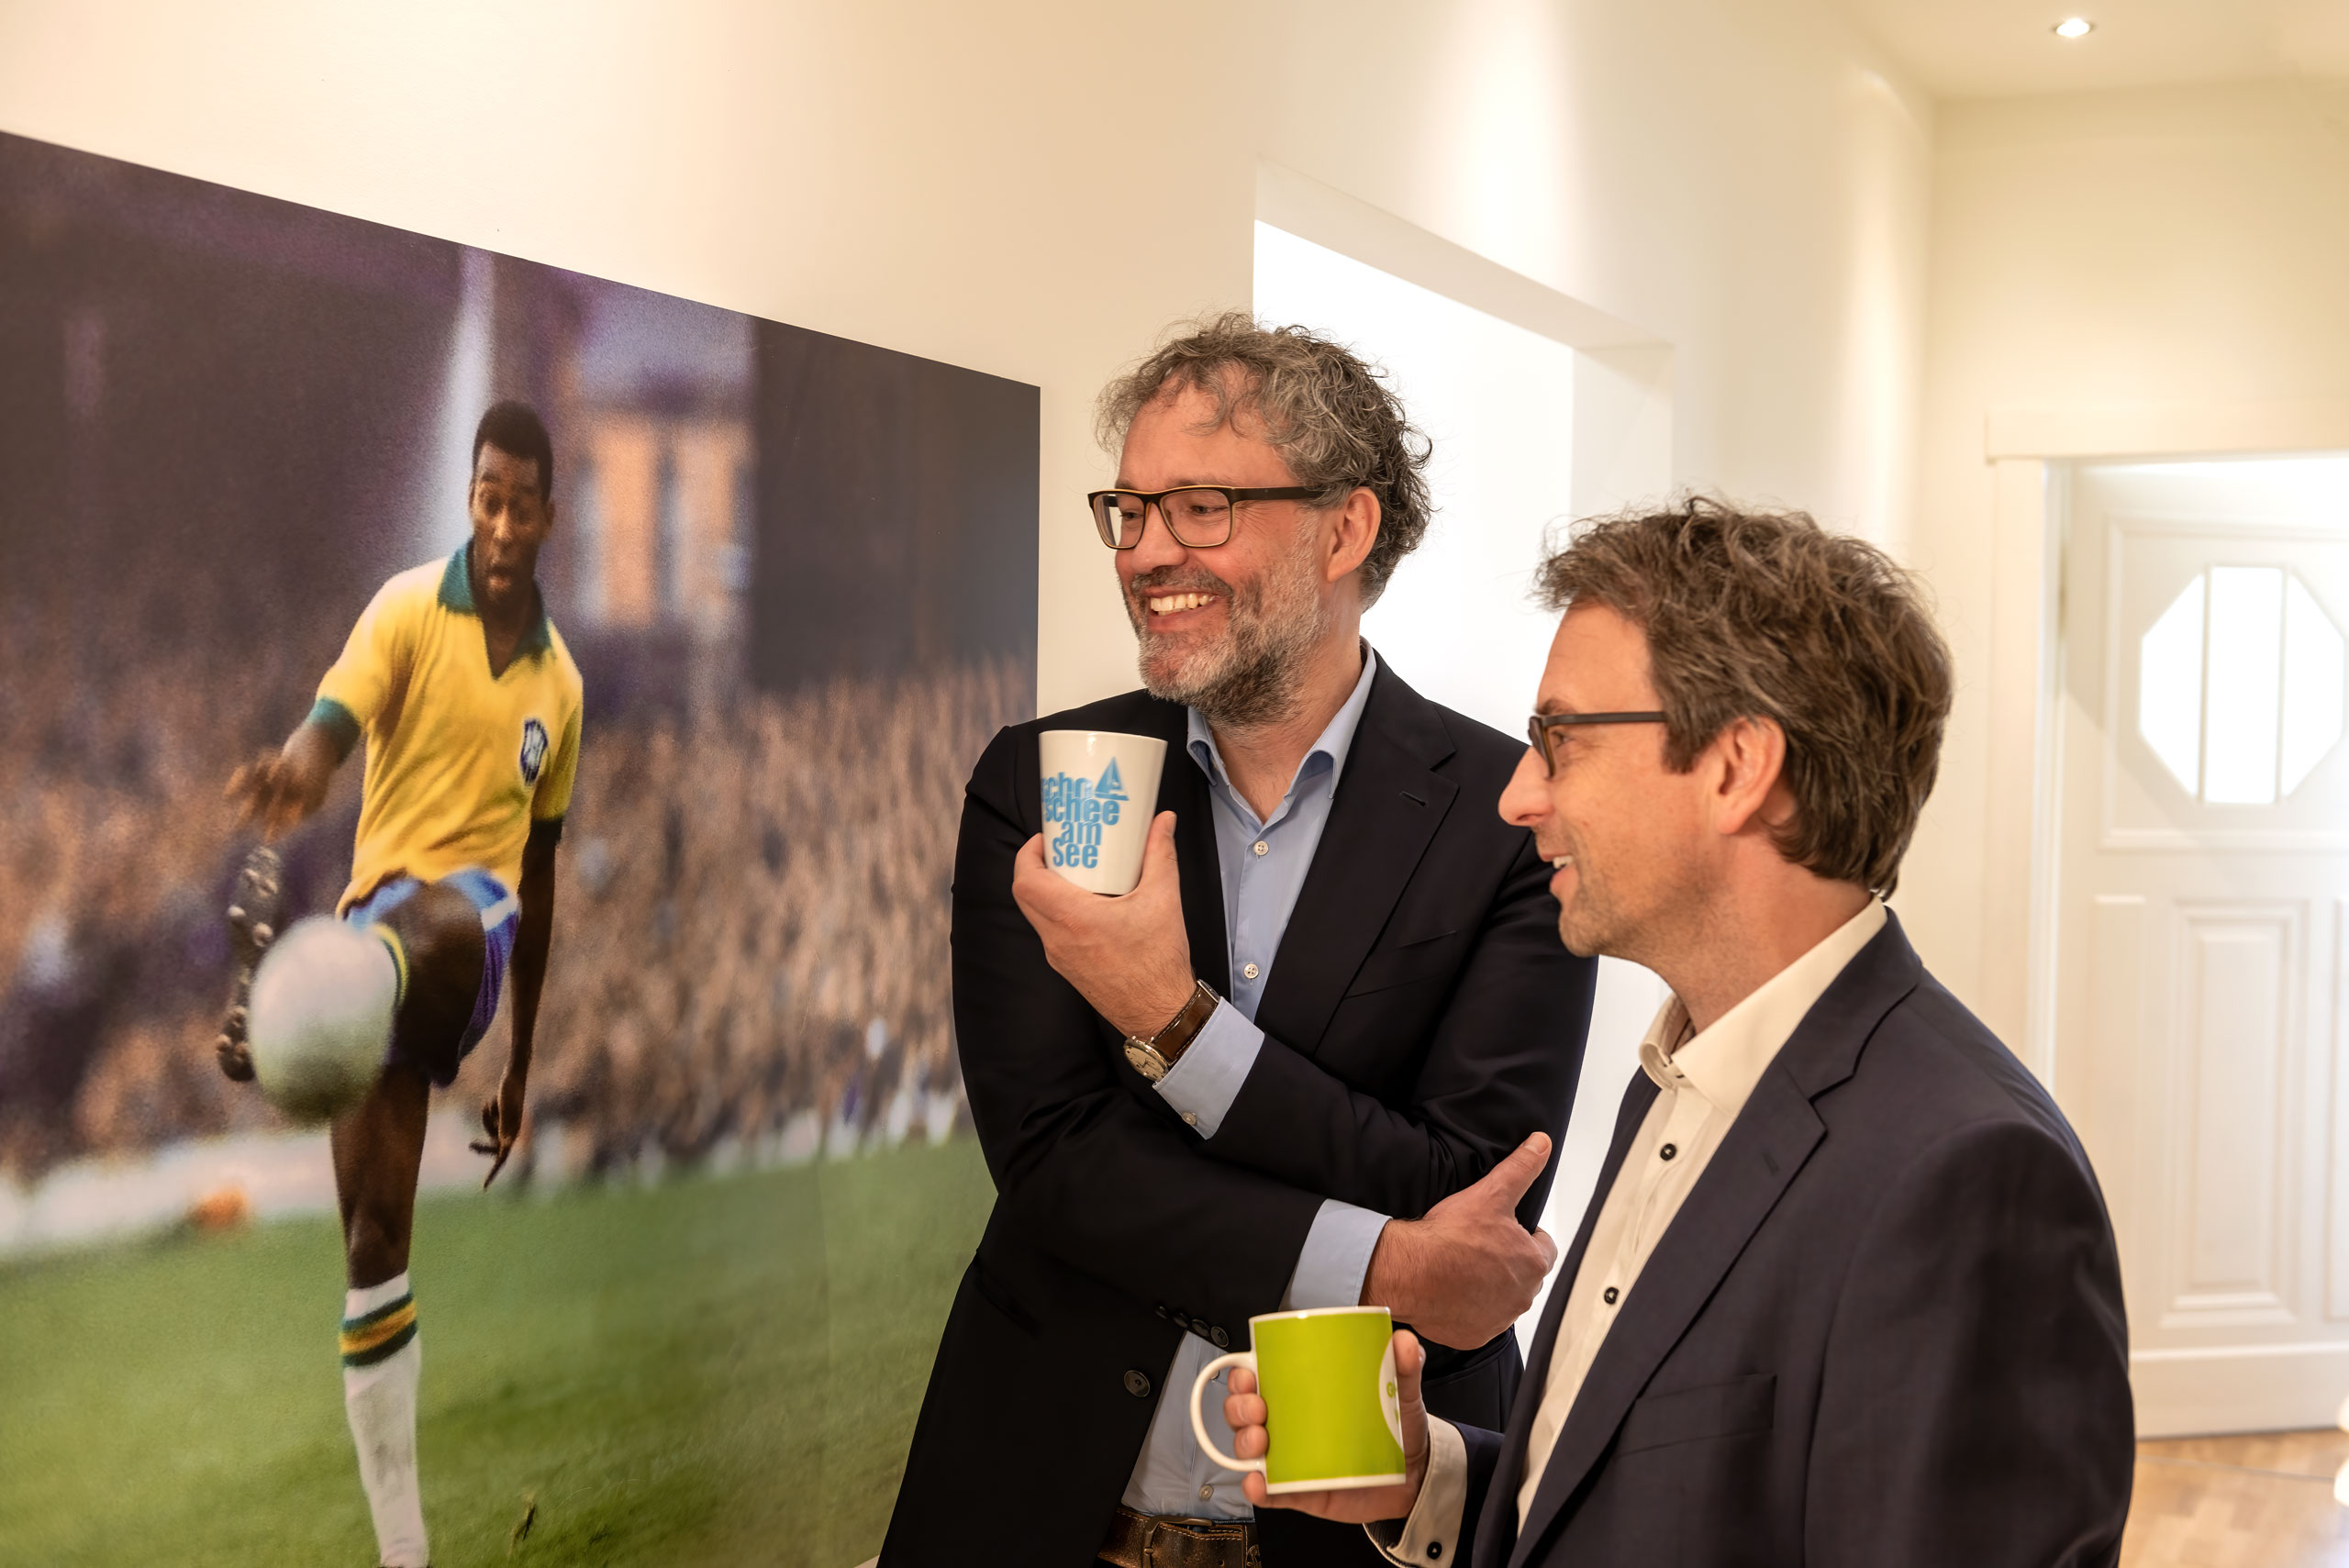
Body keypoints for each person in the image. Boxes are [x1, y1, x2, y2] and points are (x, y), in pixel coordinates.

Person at [1221, 497, 2136, 1566]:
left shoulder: (1968, 1172)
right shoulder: (1676, 1077)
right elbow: (1648, 1499)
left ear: (1736, 767)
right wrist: (1429, 1477)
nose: (1518, 794)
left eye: (1559, 740)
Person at [882, 315, 1597, 1568]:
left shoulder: (1509, 814)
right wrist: (1381, 1260)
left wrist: (1177, 1025)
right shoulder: (1051, 780)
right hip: (1035, 1507)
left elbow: (1470, 1195)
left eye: (1202, 507)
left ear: (1345, 529)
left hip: (1364, 1528)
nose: (1147, 551)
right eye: (1130, 509)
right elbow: (1057, 1161)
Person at [217, 400, 583, 1568]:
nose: (502, 523)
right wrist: (297, 770)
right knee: (373, 1242)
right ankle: (405, 1552)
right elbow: (330, 723)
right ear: (471, 498)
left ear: (549, 514)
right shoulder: (406, 609)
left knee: (434, 919)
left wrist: (521, 1060)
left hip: (469, 937)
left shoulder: (562, 688)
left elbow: (540, 875)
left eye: (522, 505)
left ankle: (311, 993)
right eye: (487, 498)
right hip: (373, 929)